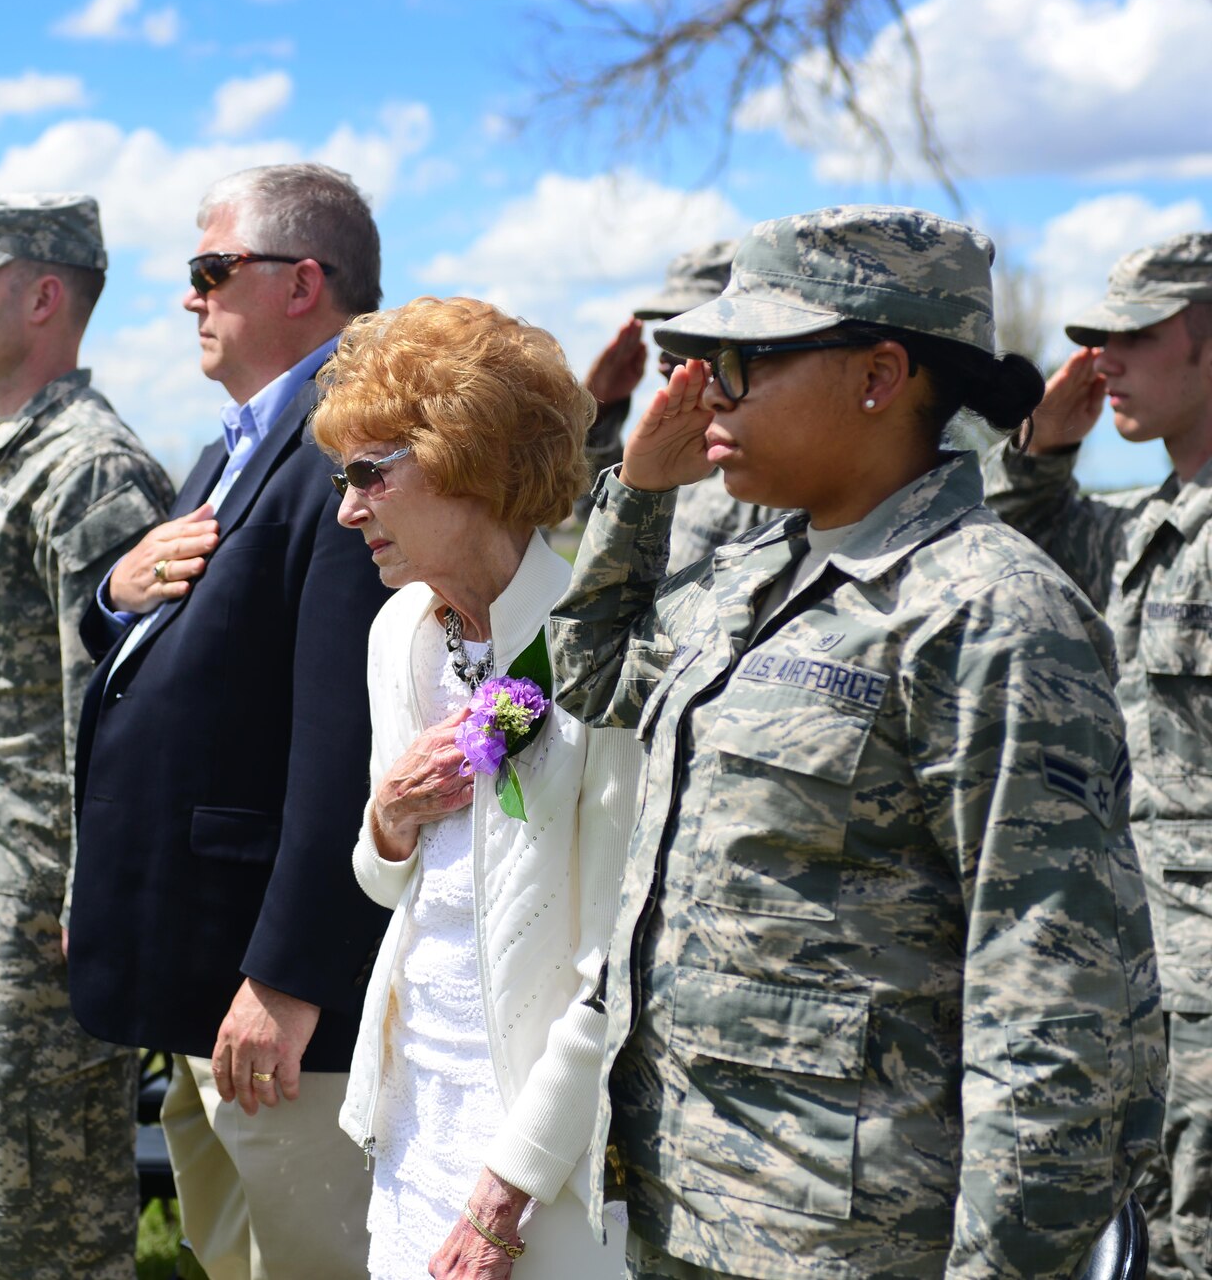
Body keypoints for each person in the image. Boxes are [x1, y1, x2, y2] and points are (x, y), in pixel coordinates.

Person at [551, 205, 1168, 1279]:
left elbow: (1054, 1005)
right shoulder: (752, 577)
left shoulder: (991, 613)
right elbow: (591, 683)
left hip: (856, 1243)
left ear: (879, 376)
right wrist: (639, 498)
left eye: (744, 363)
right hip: (682, 1209)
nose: (703, 394)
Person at [68, 163, 394, 1279]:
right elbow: (172, 650)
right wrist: (112, 594)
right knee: (229, 1248)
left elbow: (347, 743)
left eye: (211, 270)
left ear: (302, 282)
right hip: (203, 959)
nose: (187, 297)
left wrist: (289, 976)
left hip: (274, 996)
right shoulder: (237, 440)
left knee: (308, 1257)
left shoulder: (347, 440)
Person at [314, 296, 641, 1280]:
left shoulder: (597, 649)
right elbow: (383, 884)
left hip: (546, 1157)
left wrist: (505, 1195)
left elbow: (615, 966)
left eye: (370, 473)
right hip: (416, 1107)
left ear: (473, 459)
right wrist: (390, 816)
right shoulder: (399, 633)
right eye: (341, 477)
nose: (345, 509)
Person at [0, 194, 176, 1279]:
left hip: (29, 908)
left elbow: (120, 712)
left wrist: (94, 898)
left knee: (41, 1213)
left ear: (44, 295)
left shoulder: (91, 471)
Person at [982, 231, 1212, 1280]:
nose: (1102, 358)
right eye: (1091, 338)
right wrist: (1041, 451)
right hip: (1135, 984)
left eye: (1133, 333)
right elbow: (1010, 553)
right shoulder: (1150, 524)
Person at [581, 241, 791, 567]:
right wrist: (601, 408)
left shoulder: (776, 476)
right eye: (667, 329)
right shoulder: (678, 450)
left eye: (692, 331)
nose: (664, 357)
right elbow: (588, 511)